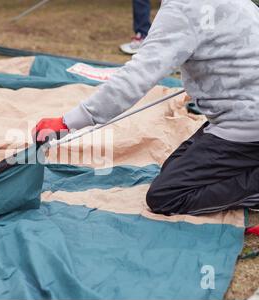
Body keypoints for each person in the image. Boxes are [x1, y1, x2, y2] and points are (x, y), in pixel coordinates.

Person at [32, 0, 259, 216]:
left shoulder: (184, 9)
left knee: (167, 195)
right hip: (241, 115)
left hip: (246, 123)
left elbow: (137, 76)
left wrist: (67, 122)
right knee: (173, 168)